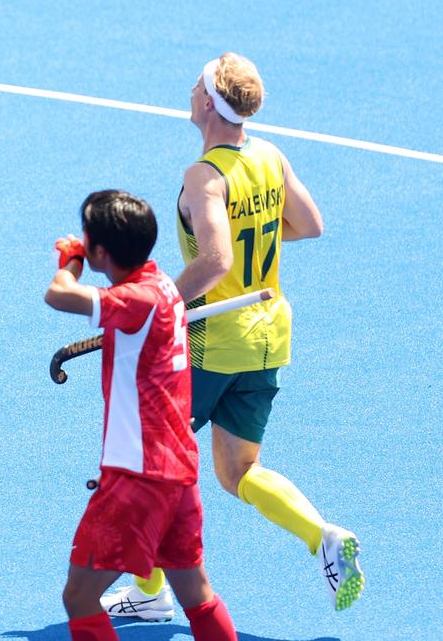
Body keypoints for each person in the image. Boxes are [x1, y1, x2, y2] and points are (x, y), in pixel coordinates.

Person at [101, 53, 363, 620]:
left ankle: (148, 592)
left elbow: (216, 260)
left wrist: (153, 301)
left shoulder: (204, 176)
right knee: (237, 471)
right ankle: (322, 535)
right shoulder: (268, 156)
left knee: (143, 456)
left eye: (197, 83)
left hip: (211, 343)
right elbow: (308, 224)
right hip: (266, 338)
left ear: (209, 105)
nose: (190, 87)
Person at [45, 190, 237, 641]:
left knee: (78, 598)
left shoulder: (133, 302)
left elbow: (59, 296)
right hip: (179, 471)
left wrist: (70, 260)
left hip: (138, 476)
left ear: (101, 251)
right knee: (197, 596)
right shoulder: (166, 288)